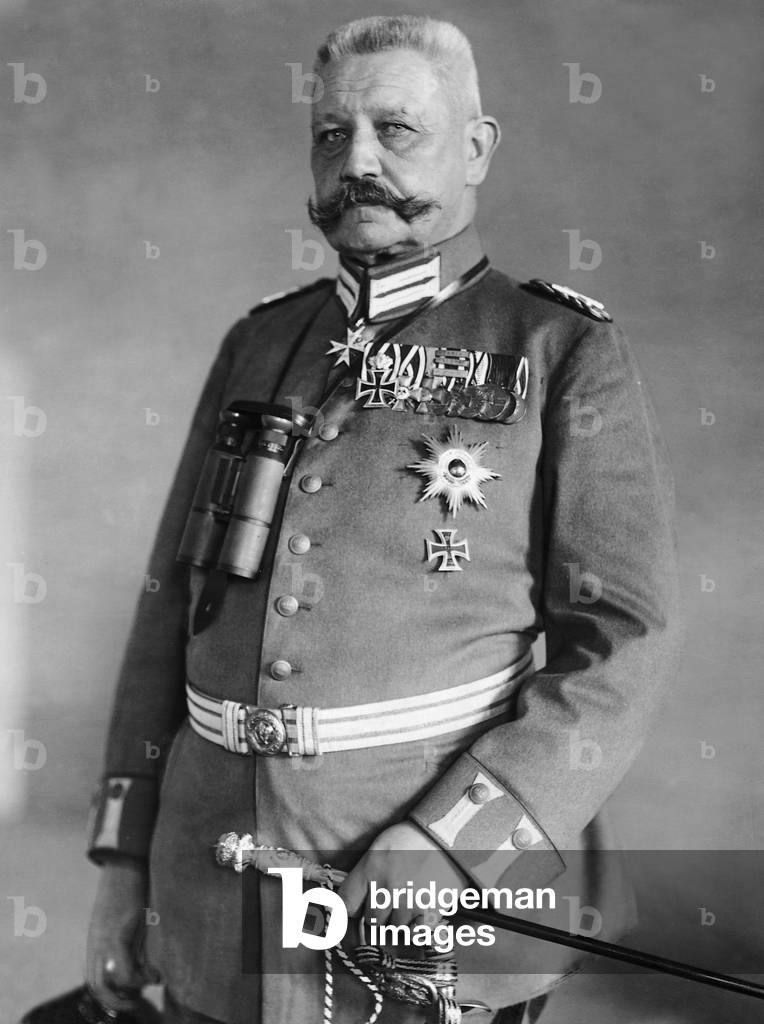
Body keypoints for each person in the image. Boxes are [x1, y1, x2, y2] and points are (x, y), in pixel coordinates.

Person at [84, 15, 681, 1024]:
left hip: (414, 892)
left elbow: (619, 642)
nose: (354, 160)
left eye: (394, 130)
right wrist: (122, 857)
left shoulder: (554, 348)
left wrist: (453, 841)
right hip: (211, 884)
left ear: (476, 147)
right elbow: (167, 617)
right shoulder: (261, 341)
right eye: (330, 135)